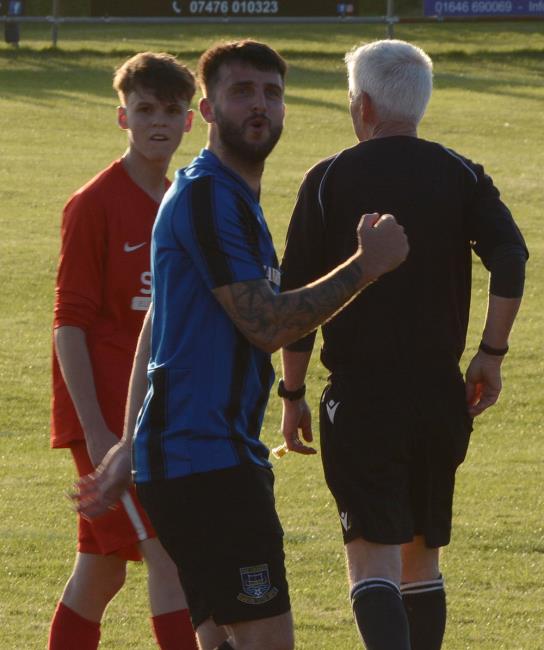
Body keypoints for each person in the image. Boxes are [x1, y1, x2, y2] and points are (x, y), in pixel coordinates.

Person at [73, 39, 409, 650]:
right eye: (241, 92)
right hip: (209, 466)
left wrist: (130, 441)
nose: (260, 105)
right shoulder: (208, 195)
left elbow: (159, 326)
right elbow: (268, 326)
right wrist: (367, 266)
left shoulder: (226, 196)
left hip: (191, 462)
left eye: (272, 93)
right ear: (206, 110)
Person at [278, 39, 528, 650]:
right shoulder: (461, 171)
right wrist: (489, 355)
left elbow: (297, 298)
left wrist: (292, 392)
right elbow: (512, 256)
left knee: (372, 565)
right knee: (422, 563)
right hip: (441, 398)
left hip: (363, 401)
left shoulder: (328, 177)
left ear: (362, 105)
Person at [49, 52, 199, 650]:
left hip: (153, 410)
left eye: (170, 110)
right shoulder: (94, 203)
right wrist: (95, 433)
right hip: (108, 418)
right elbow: (69, 324)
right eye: (144, 110)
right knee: (169, 554)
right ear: (122, 118)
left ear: (191, 121)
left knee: (104, 567)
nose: (157, 122)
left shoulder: (179, 201)